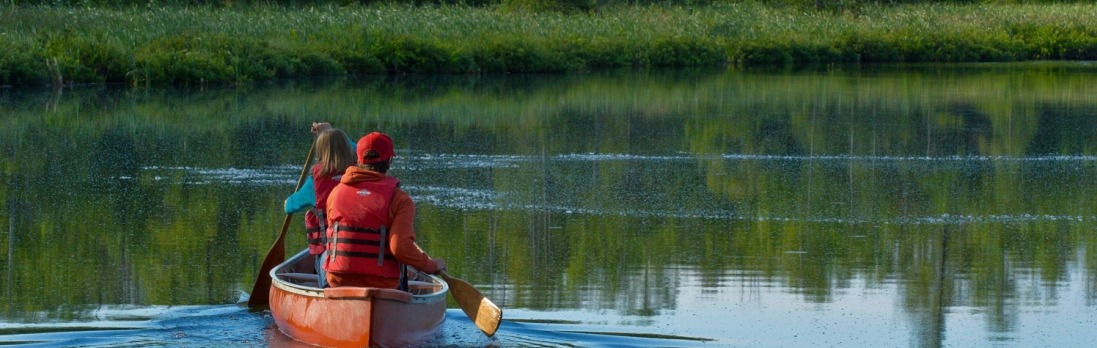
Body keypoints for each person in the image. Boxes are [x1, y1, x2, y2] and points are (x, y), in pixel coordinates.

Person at [323, 131, 446, 289]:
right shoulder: (400, 199)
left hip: (339, 282)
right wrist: (431, 265)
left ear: (358, 160)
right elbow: (400, 248)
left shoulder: (335, 193)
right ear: (389, 161)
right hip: (382, 285)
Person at [284, 123, 357, 288]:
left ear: (321, 151)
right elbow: (360, 148)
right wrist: (331, 131)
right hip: (359, 250)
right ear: (348, 148)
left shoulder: (315, 181)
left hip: (328, 252)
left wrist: (287, 202)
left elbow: (289, 206)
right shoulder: (360, 174)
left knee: (322, 265)